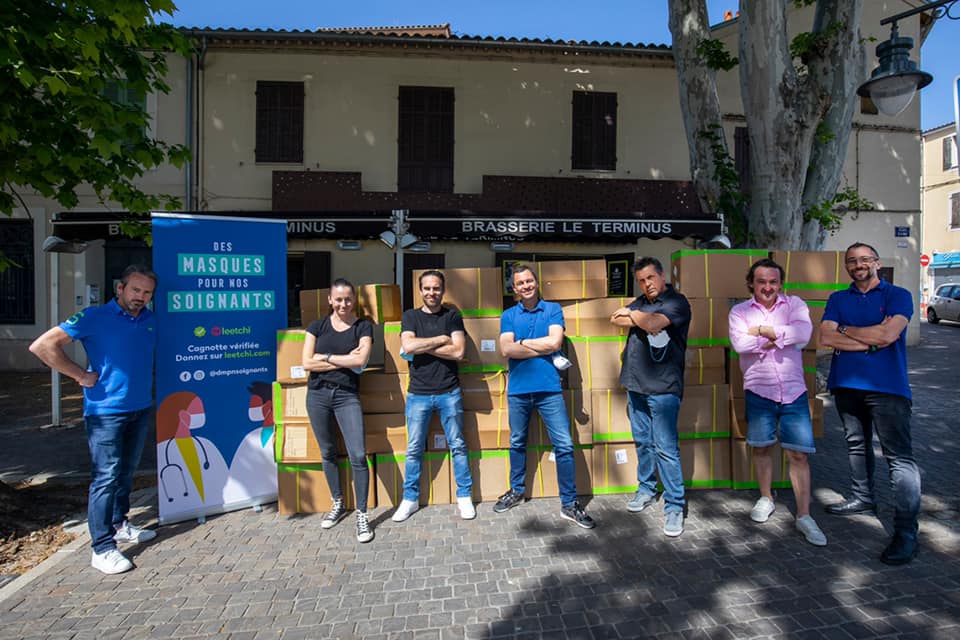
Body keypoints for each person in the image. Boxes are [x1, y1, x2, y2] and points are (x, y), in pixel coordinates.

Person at [29, 265, 159, 575]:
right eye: (136, 290)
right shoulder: (93, 317)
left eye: (147, 293)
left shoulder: (151, 321)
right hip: (106, 413)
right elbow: (42, 346)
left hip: (140, 408)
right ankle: (101, 547)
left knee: (126, 472)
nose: (140, 297)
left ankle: (120, 523)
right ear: (120, 288)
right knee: (106, 476)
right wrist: (79, 375)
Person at [820, 242, 921, 565]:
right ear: (847, 266)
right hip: (846, 385)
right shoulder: (838, 298)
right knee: (856, 446)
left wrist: (849, 330)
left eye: (864, 259)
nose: (858, 265)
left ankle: (906, 531)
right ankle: (863, 498)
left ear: (876, 262)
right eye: (852, 261)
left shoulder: (898, 295)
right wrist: (869, 338)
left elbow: (887, 336)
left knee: (898, 459)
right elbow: (827, 337)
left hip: (888, 387)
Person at [728, 258, 827, 546]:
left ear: (780, 283)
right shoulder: (739, 312)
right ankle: (766, 497)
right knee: (762, 448)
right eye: (761, 282)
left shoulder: (794, 305)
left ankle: (804, 515)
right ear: (751, 283)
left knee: (798, 454)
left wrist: (762, 331)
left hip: (794, 391)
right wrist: (782, 336)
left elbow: (805, 334)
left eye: (773, 281)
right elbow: (739, 345)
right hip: (759, 389)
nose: (768, 287)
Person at [494, 265, 595, 528]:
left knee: (563, 445)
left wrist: (524, 343)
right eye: (520, 283)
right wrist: (534, 345)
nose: (526, 286)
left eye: (529, 281)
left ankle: (569, 504)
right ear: (514, 289)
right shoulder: (508, 315)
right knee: (517, 442)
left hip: (549, 390)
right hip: (518, 390)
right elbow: (505, 349)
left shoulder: (553, 309)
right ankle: (516, 491)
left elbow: (555, 344)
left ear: (536, 283)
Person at [611, 257, 690, 537]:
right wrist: (638, 318)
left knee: (666, 448)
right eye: (642, 281)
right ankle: (646, 488)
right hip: (636, 386)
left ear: (662, 276)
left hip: (664, 388)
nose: (647, 284)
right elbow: (614, 317)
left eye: (650, 278)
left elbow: (654, 322)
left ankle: (674, 505)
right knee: (643, 443)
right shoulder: (639, 302)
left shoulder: (678, 302)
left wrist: (635, 317)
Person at [392, 270, 475, 522]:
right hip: (418, 393)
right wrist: (440, 339)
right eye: (427, 288)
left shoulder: (452, 316)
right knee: (414, 448)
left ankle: (464, 496)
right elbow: (408, 346)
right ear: (420, 291)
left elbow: (459, 351)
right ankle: (410, 499)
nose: (431, 292)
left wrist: (423, 346)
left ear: (443, 290)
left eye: (436, 288)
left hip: (449, 391)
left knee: (458, 446)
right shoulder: (410, 316)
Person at [302, 279, 375, 543]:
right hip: (317, 396)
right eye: (338, 299)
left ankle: (362, 513)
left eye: (348, 299)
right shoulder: (317, 326)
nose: (343, 304)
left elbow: (360, 360)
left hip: (347, 396)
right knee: (328, 452)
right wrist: (342, 360)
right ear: (330, 300)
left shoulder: (363, 327)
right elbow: (306, 363)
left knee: (358, 454)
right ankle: (337, 502)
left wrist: (327, 357)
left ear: (354, 300)